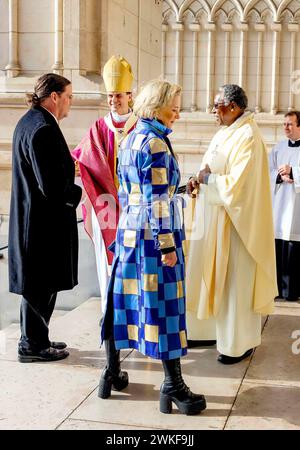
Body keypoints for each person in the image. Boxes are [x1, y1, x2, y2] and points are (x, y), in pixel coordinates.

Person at [98, 80, 206, 416]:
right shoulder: (156, 143)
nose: (177, 111)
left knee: (122, 303)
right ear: (155, 105)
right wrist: (167, 246)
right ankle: (173, 385)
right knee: (166, 309)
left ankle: (112, 373)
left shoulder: (130, 138)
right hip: (154, 240)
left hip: (129, 234)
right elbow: (158, 201)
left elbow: (126, 193)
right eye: (172, 105)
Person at [186, 84, 277, 364]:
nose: (214, 110)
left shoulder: (248, 135)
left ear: (234, 107)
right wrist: (196, 179)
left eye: (218, 105)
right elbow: (210, 167)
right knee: (211, 278)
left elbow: (239, 186)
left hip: (237, 226)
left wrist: (208, 180)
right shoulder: (226, 132)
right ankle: (210, 330)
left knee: (235, 284)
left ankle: (239, 343)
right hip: (216, 220)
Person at [8, 73, 82, 363]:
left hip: (35, 221)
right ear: (54, 97)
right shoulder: (43, 129)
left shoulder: (31, 121)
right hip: (41, 225)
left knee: (42, 283)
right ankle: (32, 345)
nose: (70, 103)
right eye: (69, 97)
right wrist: (76, 189)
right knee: (39, 285)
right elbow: (50, 186)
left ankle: (39, 337)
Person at [72, 56, 137, 312]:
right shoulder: (98, 128)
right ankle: (109, 312)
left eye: (118, 95)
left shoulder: (141, 127)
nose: (113, 101)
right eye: (110, 96)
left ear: (130, 96)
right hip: (106, 206)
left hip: (134, 207)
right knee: (106, 262)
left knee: (132, 262)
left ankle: (131, 312)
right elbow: (81, 158)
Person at [269, 111, 300, 301]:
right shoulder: (278, 148)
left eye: (290, 124)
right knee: (279, 246)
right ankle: (279, 289)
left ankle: (294, 291)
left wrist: (294, 173)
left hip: (297, 207)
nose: (286, 128)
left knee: (295, 248)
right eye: (284, 124)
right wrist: (280, 176)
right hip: (280, 206)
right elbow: (268, 171)